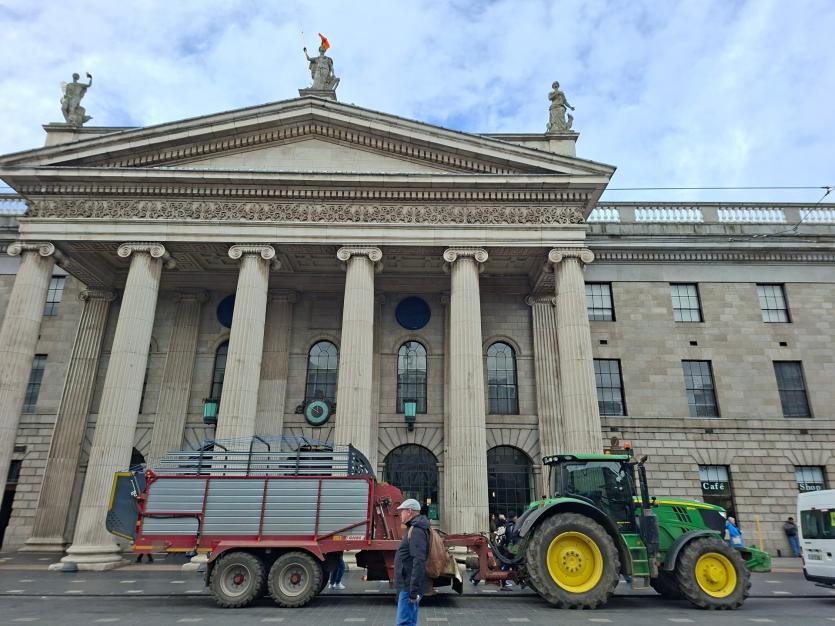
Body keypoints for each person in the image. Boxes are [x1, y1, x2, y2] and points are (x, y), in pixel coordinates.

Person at [393, 498, 429, 626]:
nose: (400, 515)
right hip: (408, 585)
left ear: (409, 511)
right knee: (409, 622)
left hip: (408, 586)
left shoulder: (417, 530)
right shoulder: (414, 528)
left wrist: (413, 592)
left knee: (404, 623)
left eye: (402, 511)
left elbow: (418, 561)